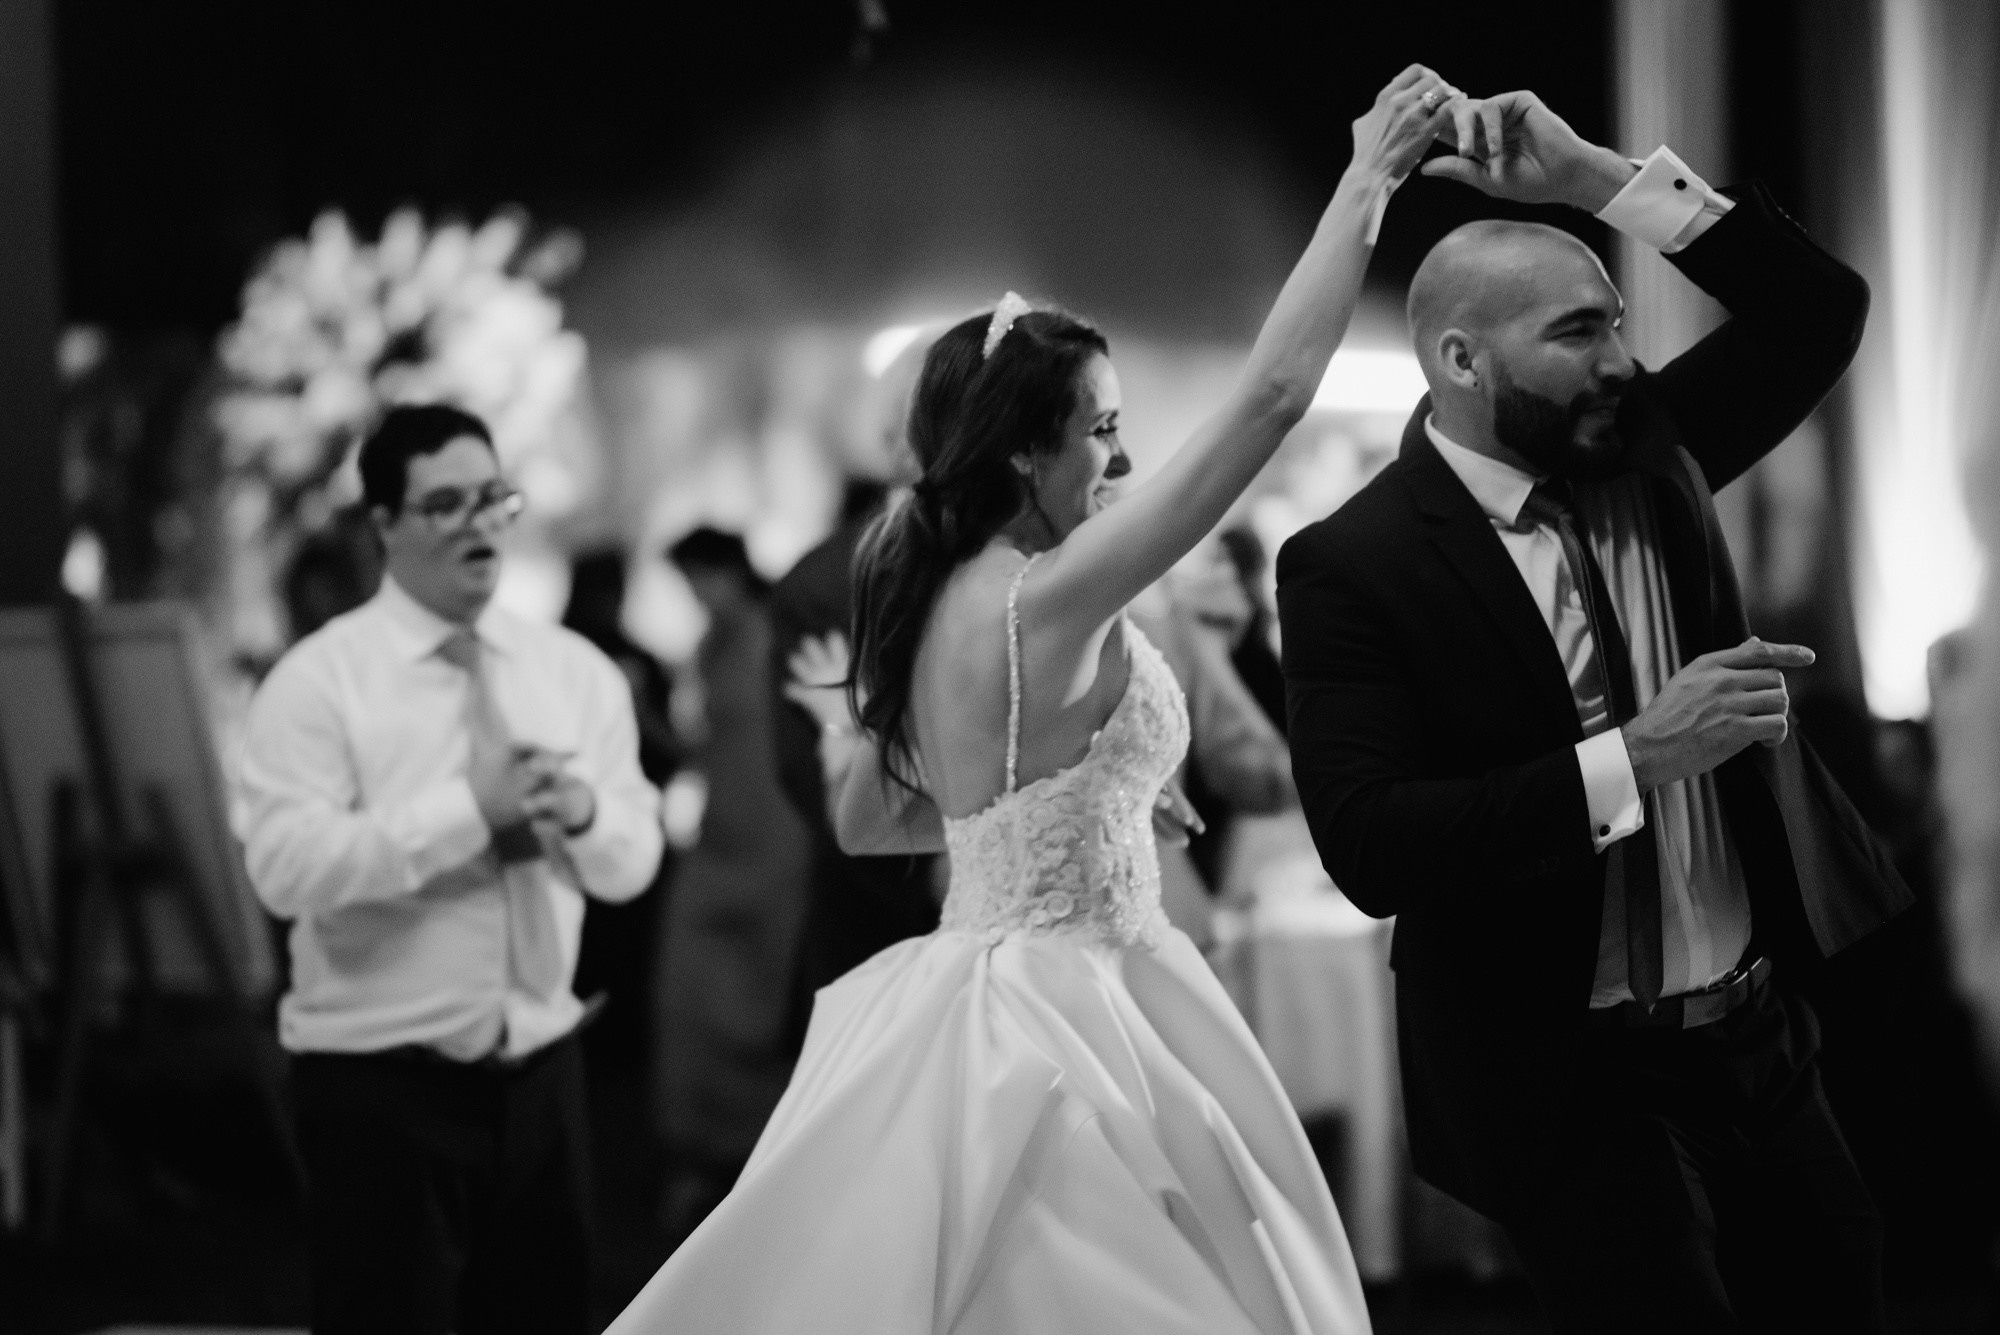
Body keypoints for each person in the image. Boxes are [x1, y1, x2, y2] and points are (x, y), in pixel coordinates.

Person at [606, 64, 1460, 1335]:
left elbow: (877, 824)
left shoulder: (924, 592)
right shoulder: (1042, 596)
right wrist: (1364, 180)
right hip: (1071, 1017)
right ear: (1022, 449)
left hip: (985, 987)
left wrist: (1092, 806)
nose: (1120, 458)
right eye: (1101, 431)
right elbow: (1270, 400)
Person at [1275, 90, 1911, 1333]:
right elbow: (1370, 843)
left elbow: (1818, 310)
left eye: (1616, 323)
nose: (1621, 360)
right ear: (1462, 361)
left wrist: (1592, 181)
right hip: (1565, 1074)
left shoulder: (1644, 444)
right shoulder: (1350, 563)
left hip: (1757, 1031)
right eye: (1579, 333)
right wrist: (1635, 757)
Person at [237, 403, 665, 1335]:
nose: (478, 523)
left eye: (493, 498)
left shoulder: (571, 670)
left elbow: (632, 861)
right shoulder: (318, 683)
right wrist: (467, 810)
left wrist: (584, 814)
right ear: (384, 523)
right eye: (445, 504)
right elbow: (283, 867)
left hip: (544, 1079)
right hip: (383, 1090)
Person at [650, 525, 813, 1248]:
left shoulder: (778, 633)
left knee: (759, 1002)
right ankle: (700, 1157)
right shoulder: (710, 646)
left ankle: (757, 1166)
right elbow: (699, 744)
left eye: (699, 577)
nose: (696, 594)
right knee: (688, 1002)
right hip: (719, 839)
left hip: (775, 838)